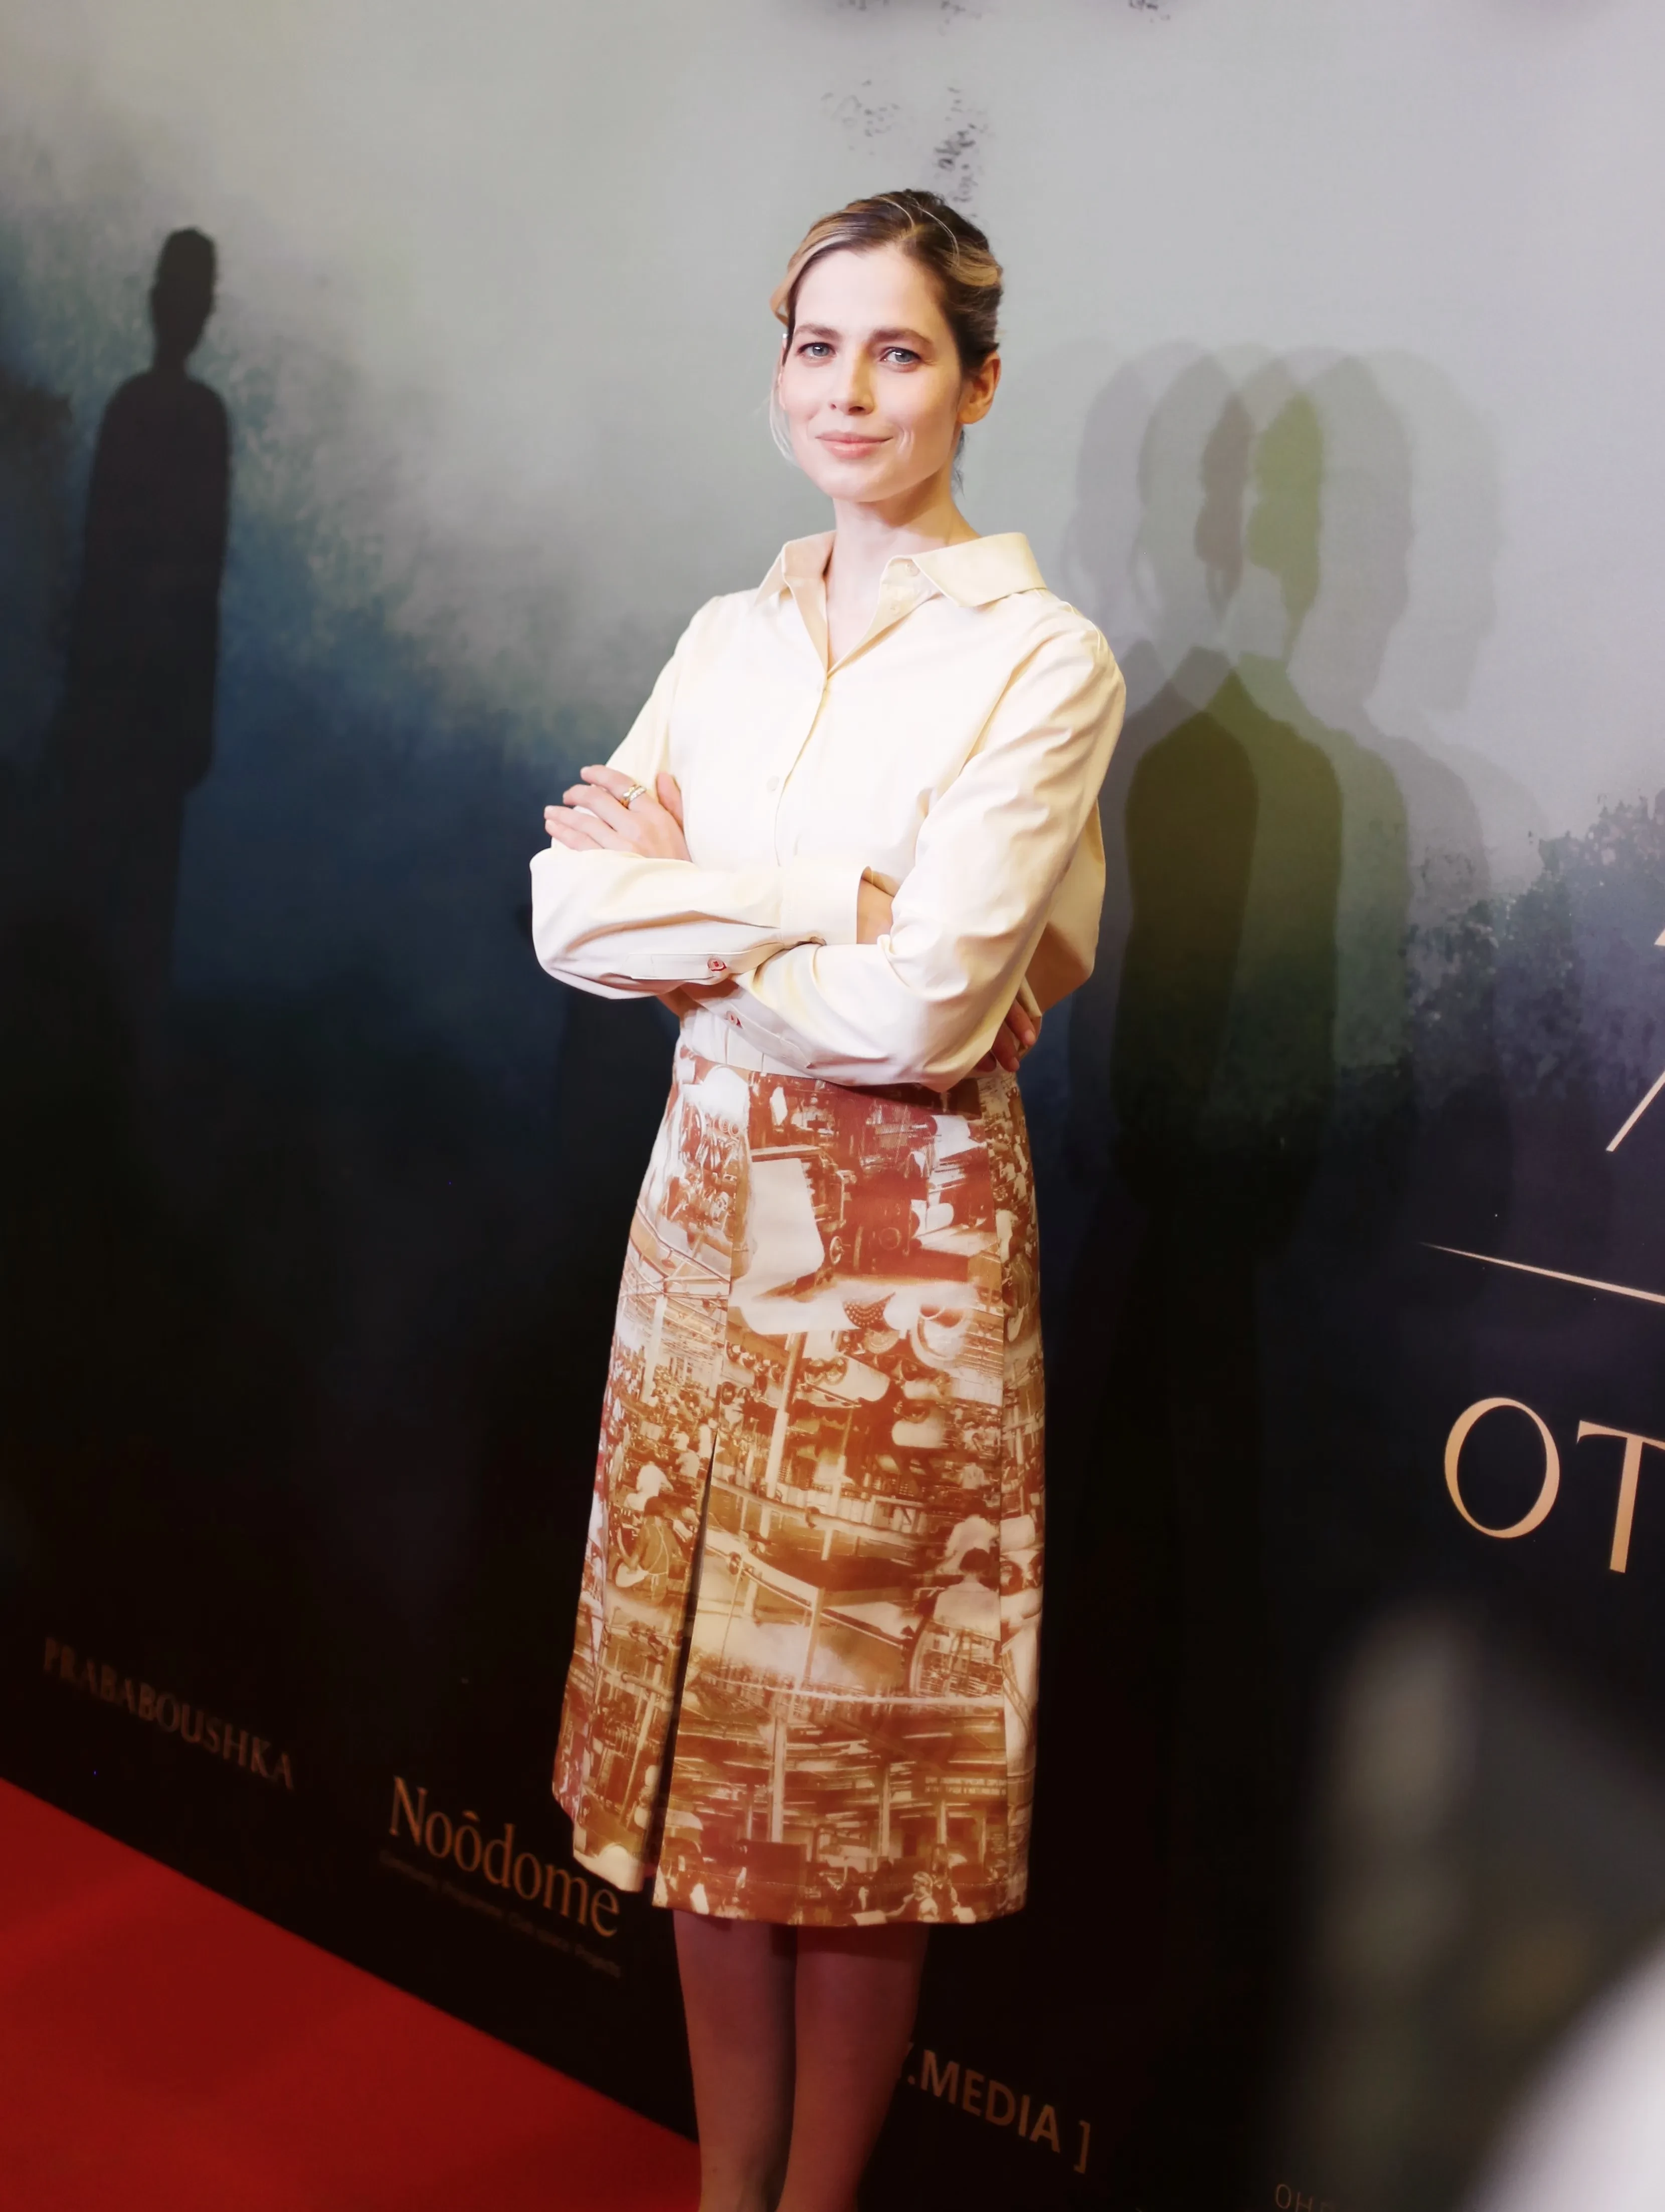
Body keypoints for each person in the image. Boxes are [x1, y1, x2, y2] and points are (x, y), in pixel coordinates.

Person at [532, 189, 1124, 2212]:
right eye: (814, 344)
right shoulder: (727, 633)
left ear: (977, 382)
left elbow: (935, 1009)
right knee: (712, 1751)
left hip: (901, 1256)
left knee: (849, 1786)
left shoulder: (1040, 659)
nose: (847, 388)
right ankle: (730, 2192)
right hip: (699, 1230)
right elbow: (567, 912)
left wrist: (703, 922)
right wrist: (816, 909)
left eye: (896, 349)